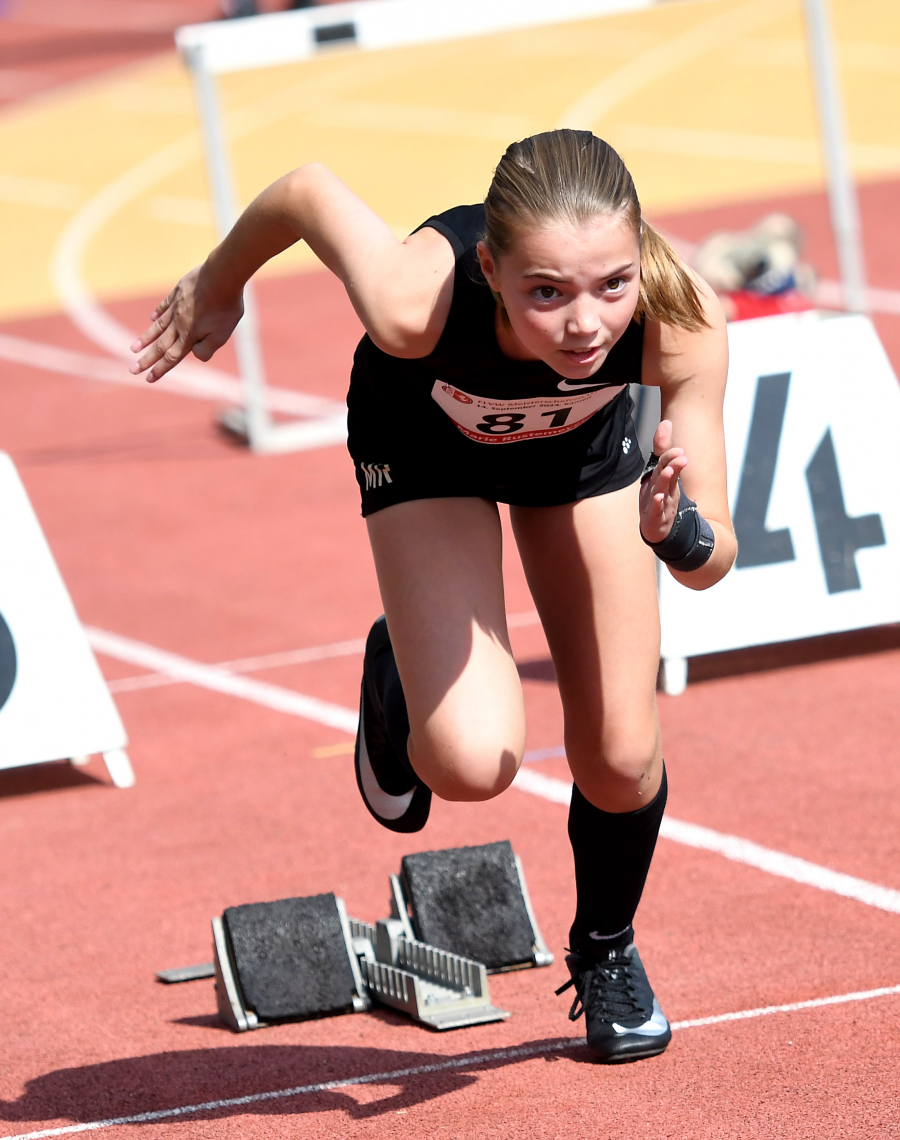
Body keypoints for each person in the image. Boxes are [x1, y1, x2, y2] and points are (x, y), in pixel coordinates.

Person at [131, 129, 736, 1063]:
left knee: (620, 754)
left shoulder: (678, 315)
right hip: (425, 443)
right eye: (547, 292)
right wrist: (220, 281)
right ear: (492, 268)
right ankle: (400, 674)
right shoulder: (417, 300)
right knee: (467, 763)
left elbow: (713, 557)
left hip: (579, 459)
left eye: (611, 284)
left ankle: (606, 950)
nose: (585, 325)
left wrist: (673, 531)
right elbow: (305, 188)